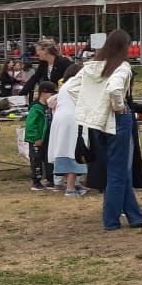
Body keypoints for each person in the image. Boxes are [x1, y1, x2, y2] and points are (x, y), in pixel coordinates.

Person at [66, 30, 142, 229]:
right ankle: (111, 220)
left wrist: (91, 105)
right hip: (118, 121)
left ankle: (135, 216)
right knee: (118, 172)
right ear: (124, 47)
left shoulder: (91, 66)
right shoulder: (122, 67)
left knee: (119, 171)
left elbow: (70, 88)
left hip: (98, 122)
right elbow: (114, 90)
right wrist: (119, 107)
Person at [46, 63, 89, 197]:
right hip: (73, 121)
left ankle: (73, 183)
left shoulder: (66, 85)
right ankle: (70, 188)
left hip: (60, 121)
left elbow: (51, 100)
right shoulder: (78, 84)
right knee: (74, 152)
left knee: (63, 151)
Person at [25, 82, 58, 190]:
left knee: (49, 160)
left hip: (49, 138)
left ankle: (50, 179)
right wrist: (35, 138)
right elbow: (30, 124)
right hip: (38, 139)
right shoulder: (36, 108)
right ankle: (36, 181)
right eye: (51, 93)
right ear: (43, 92)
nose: (53, 96)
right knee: (36, 159)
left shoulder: (51, 106)